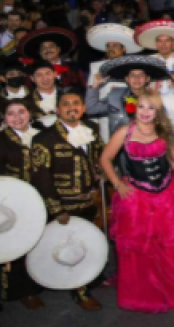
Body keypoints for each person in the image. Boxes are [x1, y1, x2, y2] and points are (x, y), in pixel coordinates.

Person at [97, 92, 174, 312]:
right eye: (142, 107)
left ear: (157, 112)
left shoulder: (164, 132)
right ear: (134, 109)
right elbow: (105, 158)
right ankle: (146, 294)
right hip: (137, 197)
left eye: (151, 108)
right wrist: (117, 183)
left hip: (167, 195)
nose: (145, 112)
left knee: (171, 243)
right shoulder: (124, 132)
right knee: (141, 248)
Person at [29, 91, 106, 310]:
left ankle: (89, 279)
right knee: (70, 249)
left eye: (76, 103)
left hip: (90, 201)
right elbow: (41, 178)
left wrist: (101, 172)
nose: (71, 107)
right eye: (66, 104)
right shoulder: (44, 139)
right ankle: (80, 293)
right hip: (65, 206)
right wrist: (56, 209)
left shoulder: (91, 129)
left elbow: (99, 156)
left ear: (83, 108)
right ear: (57, 110)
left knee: (88, 244)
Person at [0, 100, 43, 309]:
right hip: (14, 201)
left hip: (43, 196)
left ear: (30, 113)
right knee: (17, 244)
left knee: (38, 241)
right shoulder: (1, 140)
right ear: (4, 118)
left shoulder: (43, 135)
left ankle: (39, 281)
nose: (17, 117)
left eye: (21, 112)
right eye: (10, 114)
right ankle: (21, 290)